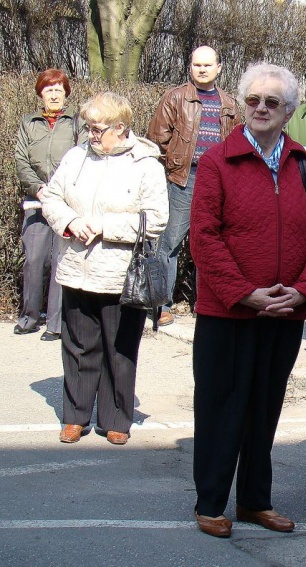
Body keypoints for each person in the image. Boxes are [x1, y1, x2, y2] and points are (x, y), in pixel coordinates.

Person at [190, 62, 306, 539]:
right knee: (220, 407)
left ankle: (255, 500)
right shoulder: (216, 161)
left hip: (283, 313)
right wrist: (244, 293)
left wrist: (304, 290)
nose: (261, 108)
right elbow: (204, 238)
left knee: (265, 406)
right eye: (253, 100)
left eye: (272, 102)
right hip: (228, 312)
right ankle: (210, 502)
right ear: (243, 103)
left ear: (289, 110)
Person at [41, 92, 168, 446]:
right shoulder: (75, 157)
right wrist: (69, 221)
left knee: (119, 348)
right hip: (77, 267)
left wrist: (103, 226)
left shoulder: (146, 164)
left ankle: (115, 418)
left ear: (121, 127)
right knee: (78, 345)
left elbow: (155, 219)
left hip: (121, 273)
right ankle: (75, 416)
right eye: (89, 128)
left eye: (98, 129)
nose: (91, 135)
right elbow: (51, 197)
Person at [147, 45, 239, 327]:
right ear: (190, 66)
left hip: (216, 184)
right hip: (182, 181)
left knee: (212, 246)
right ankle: (161, 305)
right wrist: (173, 166)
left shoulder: (229, 104)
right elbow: (155, 140)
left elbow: (235, 144)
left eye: (207, 65)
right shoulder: (175, 98)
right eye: (197, 64)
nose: (202, 69)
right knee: (169, 244)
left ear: (219, 68)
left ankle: (207, 304)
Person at [14, 68, 86, 341]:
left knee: (60, 260)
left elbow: (80, 157)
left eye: (59, 89)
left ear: (66, 93)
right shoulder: (28, 122)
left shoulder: (76, 121)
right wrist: (38, 188)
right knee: (34, 259)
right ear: (40, 94)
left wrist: (56, 191)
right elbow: (21, 161)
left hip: (65, 203)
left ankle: (55, 324)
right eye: (48, 89)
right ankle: (29, 317)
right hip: (36, 201)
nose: (54, 94)